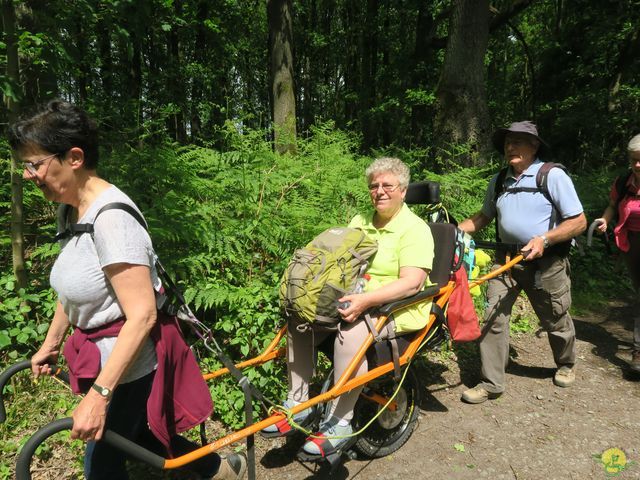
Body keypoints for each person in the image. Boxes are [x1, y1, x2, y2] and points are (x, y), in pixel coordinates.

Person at [9, 100, 246, 480]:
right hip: (104, 363)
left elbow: (143, 315)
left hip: (131, 367)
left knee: (100, 466)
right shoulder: (72, 212)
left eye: (34, 163)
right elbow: (73, 289)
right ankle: (221, 469)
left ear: (73, 157)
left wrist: (100, 397)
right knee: (140, 440)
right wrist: (52, 343)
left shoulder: (112, 221)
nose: (27, 174)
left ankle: (220, 469)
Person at [262, 157, 434, 457]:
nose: (379, 191)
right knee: (300, 321)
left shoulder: (415, 230)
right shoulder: (360, 222)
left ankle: (340, 421)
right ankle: (298, 403)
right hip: (354, 297)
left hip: (397, 307)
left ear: (403, 191)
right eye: (374, 186)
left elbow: (412, 283)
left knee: (352, 330)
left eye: (387, 185)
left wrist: (366, 300)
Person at [458, 121, 587, 404]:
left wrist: (545, 239)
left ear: (534, 146)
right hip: (505, 261)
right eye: (507, 143)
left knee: (555, 318)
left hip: (546, 264)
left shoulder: (551, 176)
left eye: (517, 141)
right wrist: (454, 230)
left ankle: (566, 363)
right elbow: (483, 217)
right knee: (493, 316)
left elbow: (578, 221)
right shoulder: (500, 179)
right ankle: (492, 382)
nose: (510, 147)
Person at [595, 133, 640, 372]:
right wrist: (604, 220)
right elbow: (613, 206)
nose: (637, 164)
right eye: (634, 159)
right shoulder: (624, 182)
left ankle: (638, 353)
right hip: (631, 244)